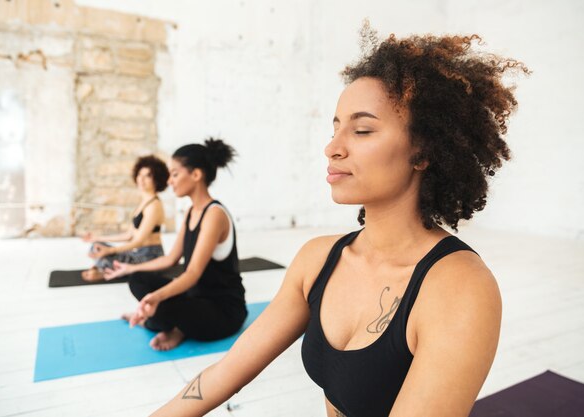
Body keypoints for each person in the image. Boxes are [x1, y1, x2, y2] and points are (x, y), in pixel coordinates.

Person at [146, 31, 529, 417]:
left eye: (361, 130)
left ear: (423, 151)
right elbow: (225, 372)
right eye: (335, 129)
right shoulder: (318, 258)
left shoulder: (460, 287)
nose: (333, 147)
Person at [104, 138, 247, 352]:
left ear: (196, 175)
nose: (170, 181)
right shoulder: (191, 211)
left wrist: (156, 297)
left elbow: (192, 274)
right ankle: (170, 324)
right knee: (138, 281)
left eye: (175, 174)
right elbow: (170, 259)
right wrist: (130, 268)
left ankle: (163, 325)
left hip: (223, 311)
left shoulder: (214, 215)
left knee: (159, 305)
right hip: (195, 299)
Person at [81, 155, 169, 282]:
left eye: (148, 176)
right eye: (140, 175)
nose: (141, 179)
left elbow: (138, 241)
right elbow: (129, 235)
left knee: (105, 257)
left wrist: (110, 250)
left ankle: (102, 271)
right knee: (96, 246)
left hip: (150, 257)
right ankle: (105, 268)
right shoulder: (145, 202)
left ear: (157, 179)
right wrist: (97, 238)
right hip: (136, 253)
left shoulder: (154, 205)